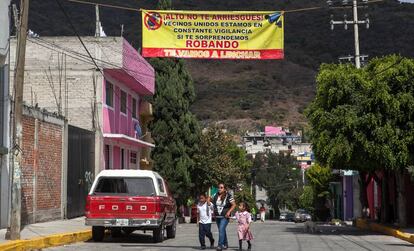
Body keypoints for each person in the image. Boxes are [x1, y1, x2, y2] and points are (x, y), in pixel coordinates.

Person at [212, 183, 236, 251]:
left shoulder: (229, 196)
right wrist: (208, 201)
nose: (219, 189)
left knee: (221, 230)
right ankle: (225, 244)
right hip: (217, 216)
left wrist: (229, 212)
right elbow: (209, 198)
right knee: (222, 230)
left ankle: (220, 245)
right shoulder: (215, 195)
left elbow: (234, 205)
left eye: (221, 187)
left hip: (225, 216)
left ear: (224, 189)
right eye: (219, 187)